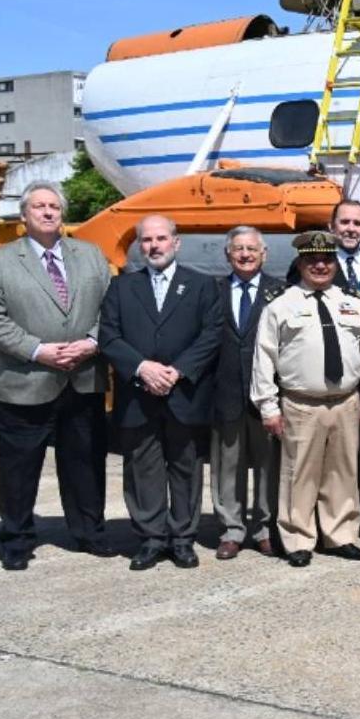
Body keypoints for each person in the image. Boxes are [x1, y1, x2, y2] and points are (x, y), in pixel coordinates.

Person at [0, 180, 111, 571]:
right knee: (19, 469)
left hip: (83, 377)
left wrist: (91, 342)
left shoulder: (91, 256)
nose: (48, 212)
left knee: (85, 462)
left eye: (54, 206)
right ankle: (16, 540)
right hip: (24, 379)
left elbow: (111, 308)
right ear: (24, 216)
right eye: (39, 207)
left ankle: (89, 532)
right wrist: (38, 350)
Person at [251, 231, 360, 567]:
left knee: (343, 473)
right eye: (312, 260)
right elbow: (263, 359)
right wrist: (268, 406)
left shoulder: (353, 302)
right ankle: (297, 539)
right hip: (301, 404)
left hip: (346, 402)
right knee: (299, 474)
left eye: (327, 259)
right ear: (300, 263)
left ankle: (340, 535)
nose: (320, 266)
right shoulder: (281, 306)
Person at [98, 215, 224, 570]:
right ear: (140, 245)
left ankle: (183, 538)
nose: (154, 246)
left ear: (176, 242)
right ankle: (151, 538)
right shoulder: (122, 287)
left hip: (183, 393)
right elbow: (109, 335)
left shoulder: (201, 285)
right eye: (147, 240)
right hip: (138, 395)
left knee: (186, 467)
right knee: (143, 468)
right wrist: (142, 368)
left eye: (161, 239)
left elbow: (211, 334)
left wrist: (179, 370)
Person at [209, 227, 286, 560]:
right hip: (224, 391)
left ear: (264, 253)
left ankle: (266, 528)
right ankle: (232, 530)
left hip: (267, 394)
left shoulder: (280, 292)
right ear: (228, 254)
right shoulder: (212, 291)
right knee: (228, 465)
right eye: (238, 249)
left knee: (271, 465)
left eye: (251, 249)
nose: (244, 254)